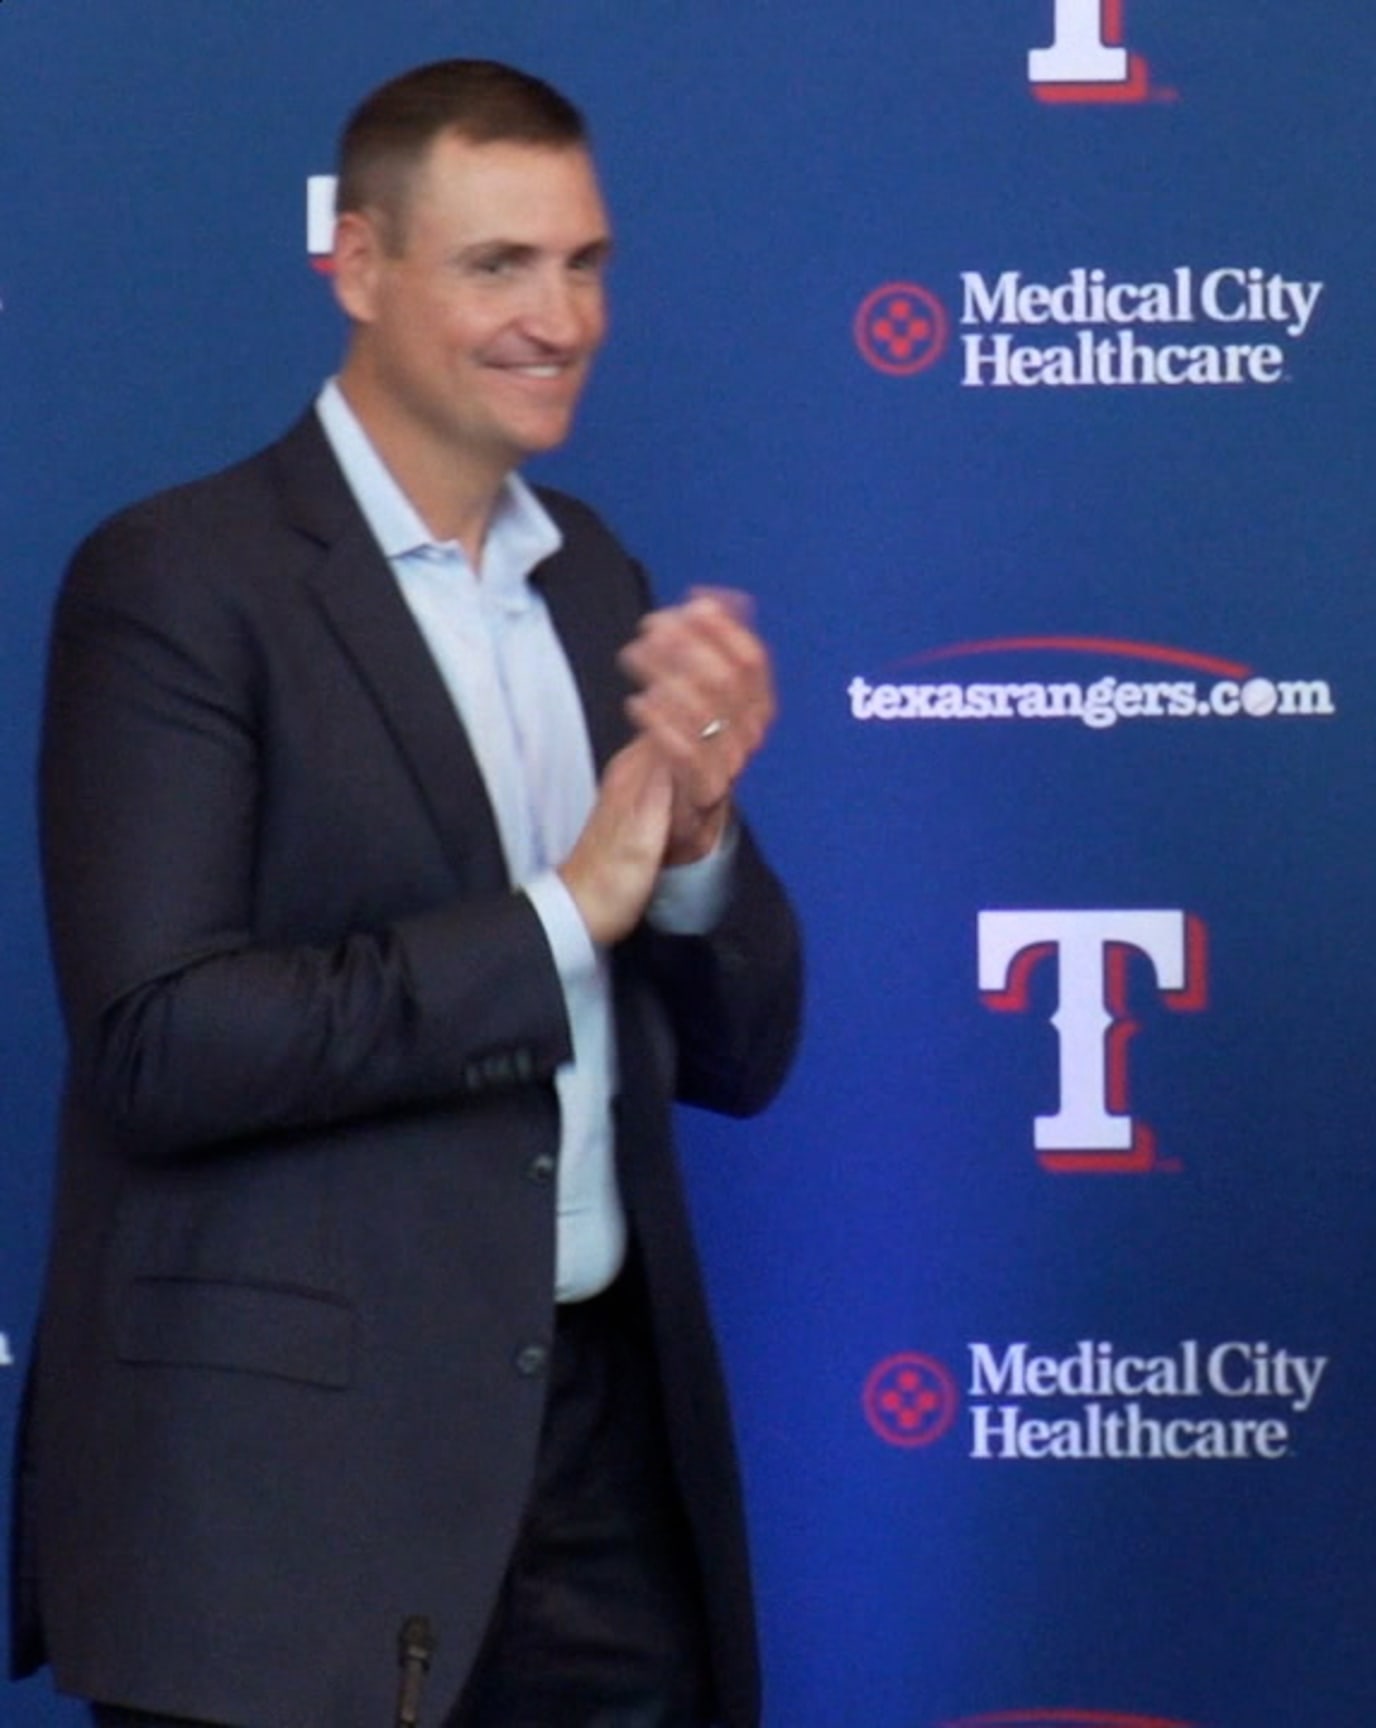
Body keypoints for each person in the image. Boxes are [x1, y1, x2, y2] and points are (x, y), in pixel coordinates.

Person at [13, 60, 804, 1728]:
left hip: (600, 1475)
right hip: (289, 1511)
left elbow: (740, 1055)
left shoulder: (595, 577)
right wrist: (558, 913)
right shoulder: (175, 582)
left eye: (584, 264)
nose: (560, 318)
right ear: (358, 268)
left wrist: (697, 851)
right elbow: (159, 1043)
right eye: (497, 266)